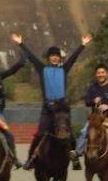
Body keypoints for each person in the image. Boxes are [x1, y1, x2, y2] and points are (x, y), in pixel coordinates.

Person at [14, 32, 92, 171]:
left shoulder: (64, 69)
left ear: (59, 58)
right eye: (52, 56)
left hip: (61, 108)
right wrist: (21, 43)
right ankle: (30, 159)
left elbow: (73, 58)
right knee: (40, 134)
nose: (55, 58)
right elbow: (32, 57)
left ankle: (74, 159)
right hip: (48, 108)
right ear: (49, 58)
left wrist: (83, 44)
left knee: (70, 134)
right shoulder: (43, 69)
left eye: (57, 56)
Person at [74, 64, 108, 161]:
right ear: (96, 75)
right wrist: (93, 101)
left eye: (103, 72)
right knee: (84, 132)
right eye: (98, 73)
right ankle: (77, 152)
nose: (100, 75)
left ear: (107, 74)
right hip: (95, 119)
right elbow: (87, 101)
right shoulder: (92, 87)